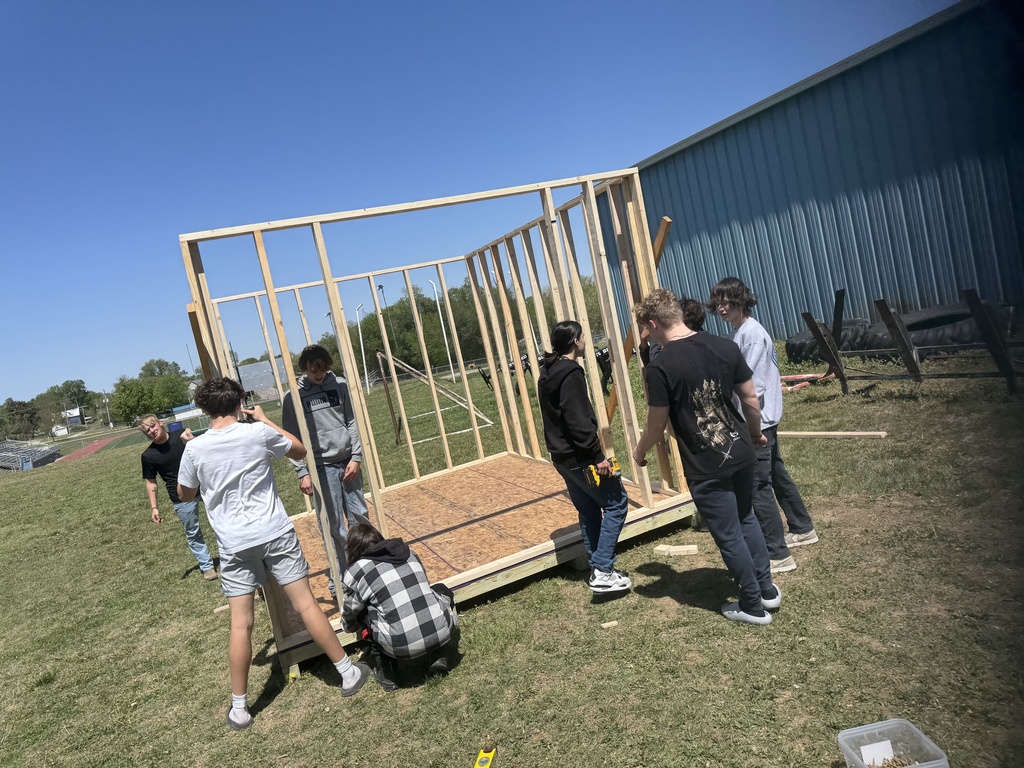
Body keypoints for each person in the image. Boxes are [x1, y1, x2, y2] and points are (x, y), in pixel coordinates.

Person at [177, 377, 369, 731]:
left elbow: (186, 495)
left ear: (204, 410)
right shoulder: (256, 433)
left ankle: (239, 709)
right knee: (306, 604)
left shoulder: (195, 449)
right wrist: (264, 420)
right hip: (275, 531)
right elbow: (299, 450)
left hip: (234, 544)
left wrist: (194, 454)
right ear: (238, 404)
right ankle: (346, 671)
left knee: (241, 624)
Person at [632, 289, 780, 625]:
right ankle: (768, 590)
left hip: (706, 462)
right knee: (746, 519)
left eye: (647, 329)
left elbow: (657, 422)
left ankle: (752, 605)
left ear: (654, 324)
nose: (649, 335)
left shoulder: (660, 367)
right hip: (740, 446)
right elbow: (751, 401)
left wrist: (640, 452)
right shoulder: (725, 346)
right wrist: (755, 434)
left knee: (728, 533)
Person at [709, 277, 817, 572]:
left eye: (726, 301)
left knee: (759, 486)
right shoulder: (738, 334)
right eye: (717, 302)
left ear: (741, 300)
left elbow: (752, 390)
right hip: (760, 420)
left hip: (757, 422)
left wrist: (750, 428)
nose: (721, 307)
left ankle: (778, 554)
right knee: (777, 474)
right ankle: (802, 527)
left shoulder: (752, 336)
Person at [538, 320, 632, 594]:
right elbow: (578, 420)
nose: (586, 341)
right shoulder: (570, 373)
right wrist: (597, 456)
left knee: (590, 510)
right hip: (581, 457)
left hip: (562, 458)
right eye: (584, 337)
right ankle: (603, 569)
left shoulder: (548, 372)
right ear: (576, 340)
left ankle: (596, 567)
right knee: (617, 503)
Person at [282, 344, 370, 598]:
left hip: (348, 462)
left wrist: (356, 457)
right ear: (305, 369)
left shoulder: (339, 385)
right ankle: (341, 582)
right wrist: (302, 472)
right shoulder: (294, 396)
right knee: (333, 527)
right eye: (313, 371)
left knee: (360, 518)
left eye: (323, 370)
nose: (319, 375)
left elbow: (351, 421)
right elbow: (292, 436)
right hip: (322, 467)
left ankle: (366, 572)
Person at [341, 523, 459, 691]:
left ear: (353, 551)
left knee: (364, 613)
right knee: (440, 591)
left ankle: (389, 673)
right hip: (442, 630)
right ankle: (439, 653)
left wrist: (351, 626)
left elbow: (350, 611)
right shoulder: (409, 552)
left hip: (399, 645)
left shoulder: (357, 571)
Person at [139, 414, 217, 581]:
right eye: (147, 430)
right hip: (181, 497)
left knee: (221, 518)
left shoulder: (181, 435)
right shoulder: (148, 455)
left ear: (160, 424)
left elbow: (203, 450)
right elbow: (151, 482)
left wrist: (190, 440)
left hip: (203, 485)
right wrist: (154, 508)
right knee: (193, 532)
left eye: (153, 426)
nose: (151, 431)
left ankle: (235, 553)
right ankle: (207, 567)